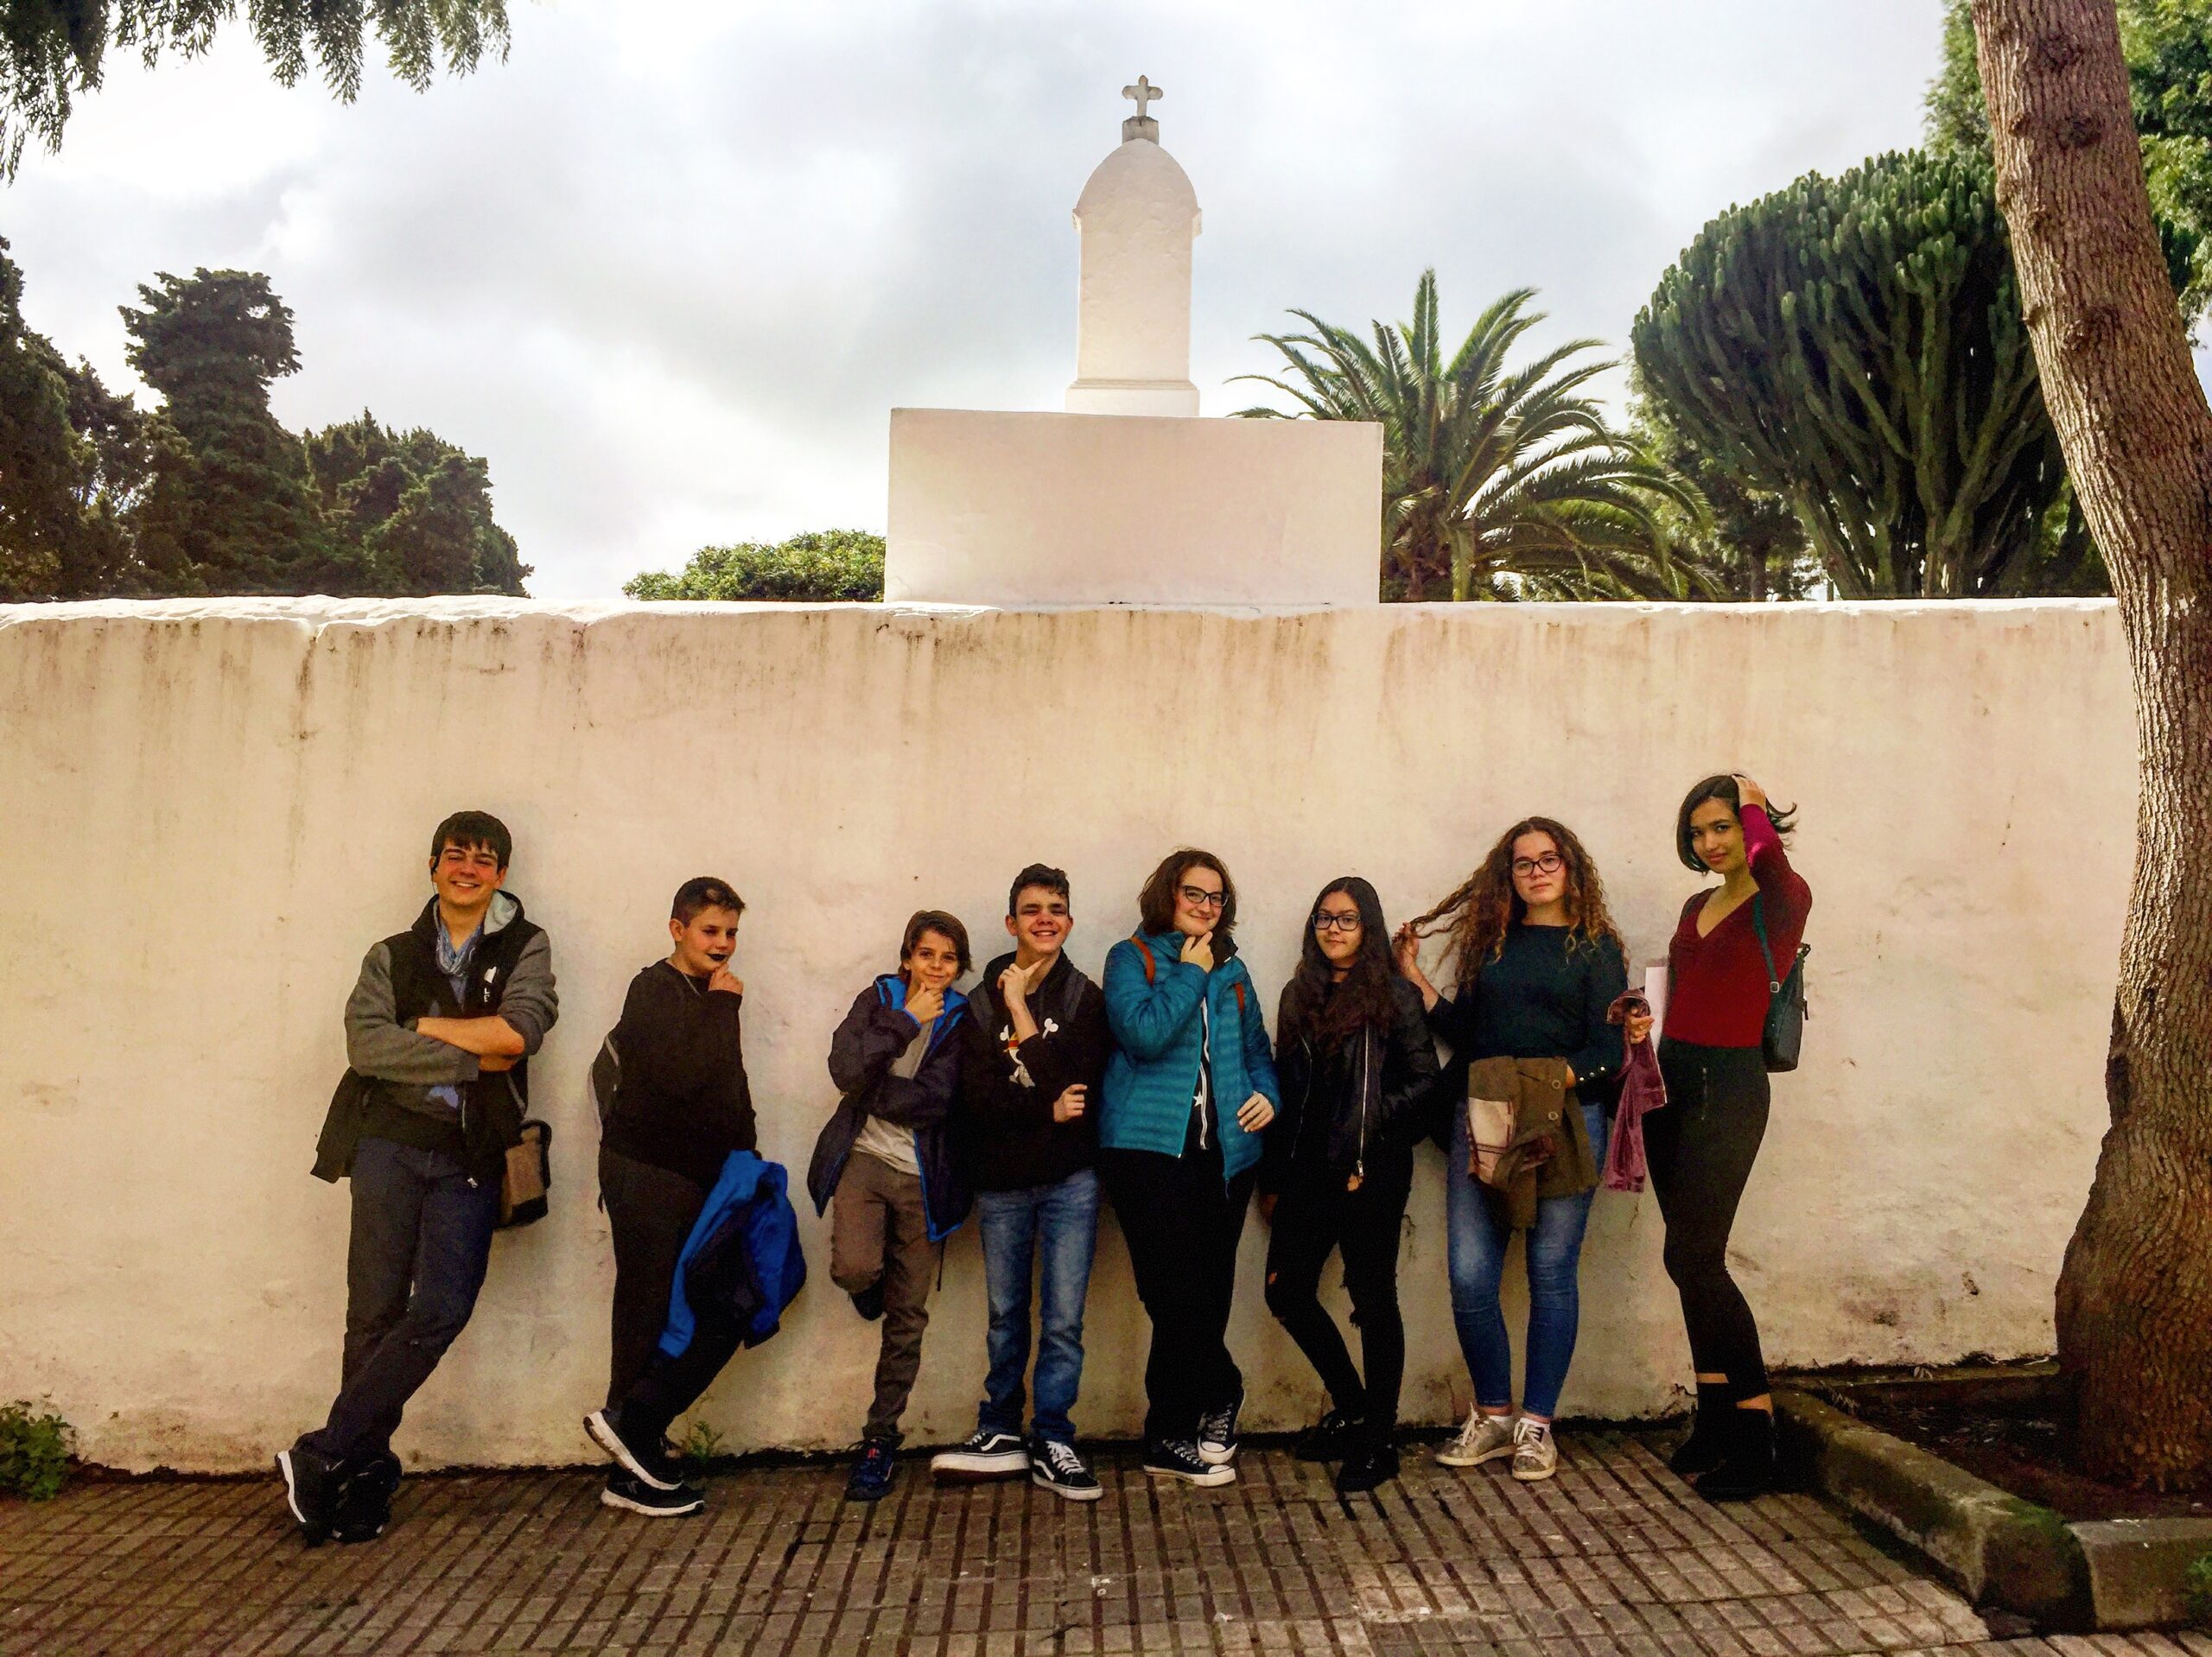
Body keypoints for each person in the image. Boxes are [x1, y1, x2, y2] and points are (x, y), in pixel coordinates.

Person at [282, 810, 559, 1546]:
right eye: (454, 856)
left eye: (484, 859)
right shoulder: (392, 954)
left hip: (470, 1153)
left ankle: (325, 1449)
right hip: (384, 1145)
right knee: (371, 1312)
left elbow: (520, 1031)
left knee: (439, 1308)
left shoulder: (526, 947)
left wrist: (425, 1028)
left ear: (500, 874)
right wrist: (471, 1053)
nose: (467, 868)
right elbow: (367, 1045)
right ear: (432, 866)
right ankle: (361, 1479)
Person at [1395, 817, 1643, 1484]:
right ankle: (1494, 1414)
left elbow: (1608, 1051)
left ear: (1571, 869)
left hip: (1565, 1121)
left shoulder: (1596, 950)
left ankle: (1537, 1426)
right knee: (1472, 1275)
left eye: (1548, 859)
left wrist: (1549, 1080)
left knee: (1551, 1274)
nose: (1535, 871)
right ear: (1507, 875)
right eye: (1522, 863)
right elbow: (1471, 1033)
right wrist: (1417, 983)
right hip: (1484, 1115)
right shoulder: (1495, 945)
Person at [1649, 774, 1811, 1501]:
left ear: (1752, 828)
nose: (1709, 843)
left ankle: (1755, 1438)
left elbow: (1768, 855)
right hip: (1670, 1084)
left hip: (1730, 1086)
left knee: (1698, 1256)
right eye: (1697, 833)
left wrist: (1746, 789)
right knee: (1684, 1261)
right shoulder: (1696, 904)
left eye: (1722, 827)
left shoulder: (1780, 899)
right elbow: (1688, 995)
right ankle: (1715, 1420)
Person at [1097, 848, 1279, 1487]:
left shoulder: (1234, 970)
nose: (1205, 907)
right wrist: (1191, 973)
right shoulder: (1132, 958)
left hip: (1224, 1158)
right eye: (1192, 894)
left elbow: (1259, 1053)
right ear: (1166, 896)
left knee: (1208, 1293)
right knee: (1170, 1293)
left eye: (1215, 898)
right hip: (1147, 1155)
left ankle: (1178, 1426)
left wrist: (1268, 1097)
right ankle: (1207, 1402)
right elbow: (1143, 1034)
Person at [931, 865, 1113, 1501]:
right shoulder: (979, 1002)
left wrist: (1021, 1013)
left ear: (1068, 920)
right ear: (1011, 923)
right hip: (1003, 1185)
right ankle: (1000, 1431)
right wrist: (1042, 1107)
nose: (1045, 918)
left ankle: (1054, 1439)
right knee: (1007, 1316)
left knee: (1063, 1320)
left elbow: (1077, 1088)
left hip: (1070, 1184)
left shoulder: (1085, 998)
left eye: (1056, 908)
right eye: (1031, 909)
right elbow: (975, 1101)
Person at [582, 877, 755, 1518]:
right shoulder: (653, 988)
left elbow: (725, 1083)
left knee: (703, 1304)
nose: (723, 944)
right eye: (711, 930)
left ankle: (638, 1430)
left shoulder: (711, 995)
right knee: (647, 1306)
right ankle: (630, 1460)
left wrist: (747, 1159)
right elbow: (679, 1079)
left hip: (701, 1178)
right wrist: (723, 1008)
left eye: (732, 933)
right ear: (678, 929)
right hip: (646, 1172)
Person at [1260, 877, 1438, 1494]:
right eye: (1325, 919)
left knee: (1373, 1298)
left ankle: (1379, 1438)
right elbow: (1285, 1087)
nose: (1334, 930)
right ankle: (1356, 1408)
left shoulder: (1393, 995)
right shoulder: (1298, 993)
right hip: (1308, 1168)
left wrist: (1367, 1121)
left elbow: (1424, 1082)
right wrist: (1274, 1172)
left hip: (1372, 1168)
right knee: (1286, 1291)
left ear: (1369, 929)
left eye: (1348, 920)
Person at [806, 910, 974, 1502]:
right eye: (926, 955)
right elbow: (843, 1069)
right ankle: (868, 1285)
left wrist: (873, 1089)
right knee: (854, 1268)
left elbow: (937, 1101)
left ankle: (880, 1439)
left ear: (959, 967)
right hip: (866, 1161)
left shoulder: (962, 1018)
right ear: (908, 957)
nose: (936, 967)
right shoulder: (880, 1000)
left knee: (908, 1316)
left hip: (926, 1178)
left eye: (948, 958)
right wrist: (904, 1022)